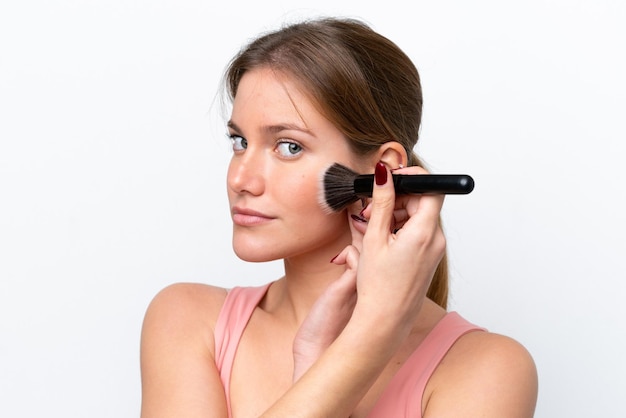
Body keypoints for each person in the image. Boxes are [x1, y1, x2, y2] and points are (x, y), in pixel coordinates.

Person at [139, 16, 538, 417]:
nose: (241, 178)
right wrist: (368, 337)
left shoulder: (487, 371)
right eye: (240, 142)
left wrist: (371, 330)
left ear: (381, 172)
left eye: (288, 147)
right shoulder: (187, 321)